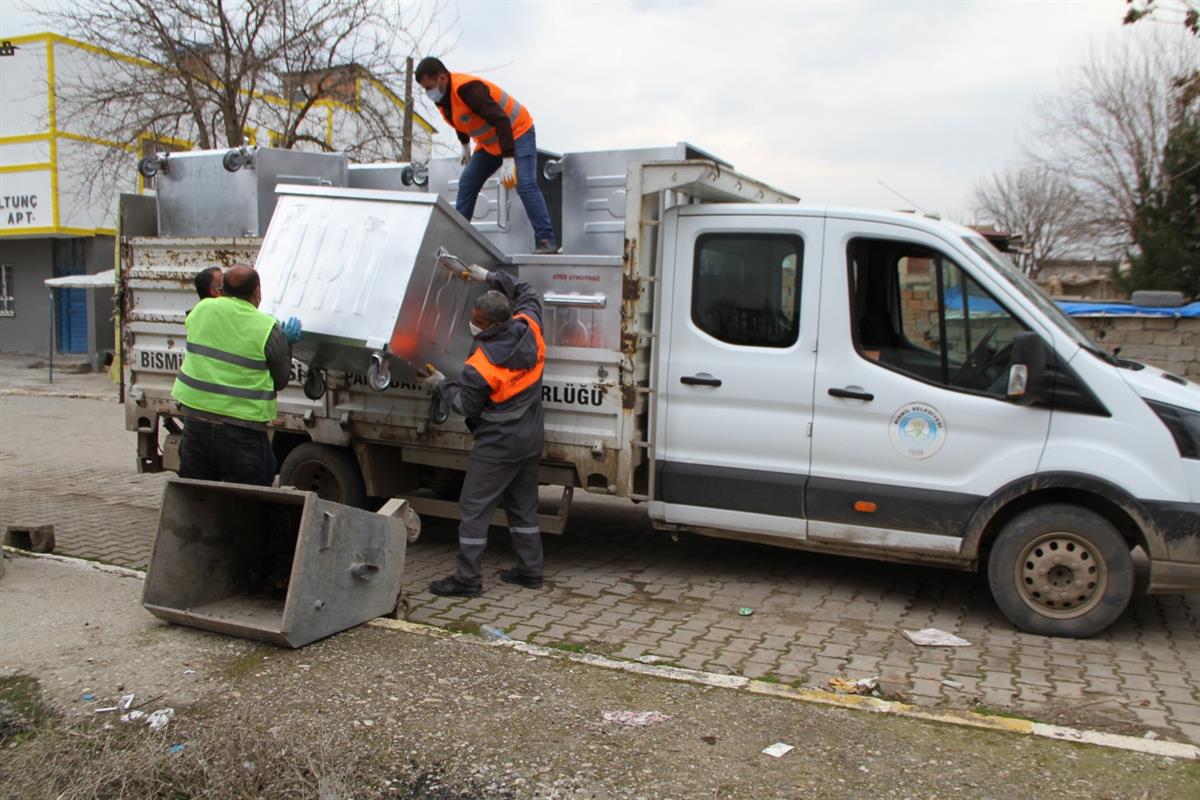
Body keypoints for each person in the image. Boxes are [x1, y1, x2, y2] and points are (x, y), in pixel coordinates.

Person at [419, 264, 546, 597]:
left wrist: (439, 384)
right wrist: (487, 276)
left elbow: (465, 405)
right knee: (523, 507)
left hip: (497, 445)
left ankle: (467, 579)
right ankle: (530, 571)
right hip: (530, 438)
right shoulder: (530, 328)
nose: (472, 324)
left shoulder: (481, 365)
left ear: (492, 324)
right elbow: (527, 292)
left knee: (474, 510)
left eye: (477, 320)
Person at [171, 266, 302, 486]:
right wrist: (286, 344)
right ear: (257, 292)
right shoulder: (267, 328)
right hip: (243, 432)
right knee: (246, 502)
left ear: (223, 290)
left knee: (198, 497)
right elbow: (280, 380)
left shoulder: (201, 311)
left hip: (196, 424)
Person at [414, 57, 559, 255]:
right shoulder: (443, 100)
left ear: (442, 79)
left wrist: (508, 160)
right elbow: (459, 121)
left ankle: (545, 239)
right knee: (467, 182)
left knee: (525, 183)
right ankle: (456, 242)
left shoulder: (468, 89)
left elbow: (501, 120)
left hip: (517, 132)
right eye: (424, 88)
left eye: (428, 87)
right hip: (490, 143)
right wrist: (465, 145)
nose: (428, 92)